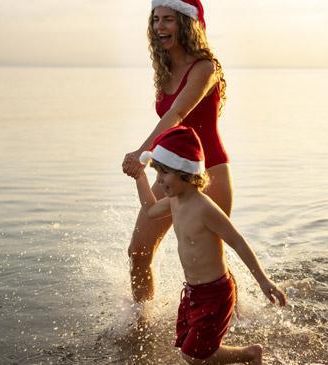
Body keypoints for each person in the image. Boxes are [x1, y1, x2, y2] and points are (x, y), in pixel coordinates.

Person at [131, 126, 286, 364]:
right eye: (157, 174)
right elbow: (150, 210)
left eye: (163, 173)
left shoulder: (205, 208)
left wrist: (264, 281)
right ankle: (249, 353)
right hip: (193, 292)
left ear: (185, 172)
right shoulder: (174, 200)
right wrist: (139, 177)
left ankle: (249, 353)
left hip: (216, 293)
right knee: (188, 349)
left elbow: (238, 242)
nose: (159, 180)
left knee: (194, 355)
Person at [123, 0, 233, 303]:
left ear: (186, 23)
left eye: (168, 19)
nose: (159, 26)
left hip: (209, 173)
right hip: (171, 172)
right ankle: (141, 321)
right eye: (156, 19)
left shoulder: (205, 68)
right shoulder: (165, 69)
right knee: (139, 252)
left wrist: (141, 155)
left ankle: (231, 319)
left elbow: (176, 115)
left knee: (209, 264)